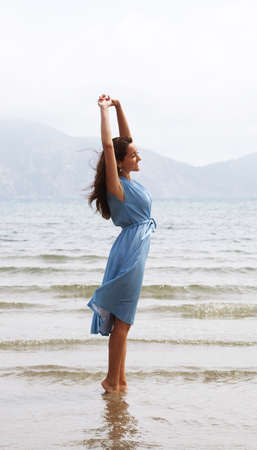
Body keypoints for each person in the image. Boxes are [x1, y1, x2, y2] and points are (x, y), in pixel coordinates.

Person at [87, 94, 156, 394]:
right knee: (123, 322)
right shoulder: (118, 185)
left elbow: (124, 141)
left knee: (124, 321)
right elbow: (108, 147)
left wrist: (119, 108)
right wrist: (103, 112)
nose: (138, 157)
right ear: (120, 162)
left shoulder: (127, 177)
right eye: (134, 155)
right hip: (130, 253)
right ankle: (112, 380)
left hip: (132, 247)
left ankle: (120, 380)